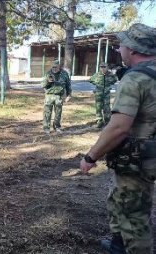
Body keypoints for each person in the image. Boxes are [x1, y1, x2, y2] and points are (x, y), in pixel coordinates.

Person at [80, 23, 156, 254]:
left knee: (134, 216)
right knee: (120, 201)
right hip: (149, 156)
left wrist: (91, 156)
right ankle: (118, 245)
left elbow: (118, 128)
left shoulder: (135, 79)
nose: (118, 48)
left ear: (132, 49)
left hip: (137, 161)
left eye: (121, 44)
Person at [42, 60, 72, 134]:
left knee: (58, 113)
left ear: (59, 66)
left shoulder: (64, 74)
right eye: (53, 67)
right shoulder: (48, 73)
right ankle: (46, 128)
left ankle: (57, 127)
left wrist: (69, 95)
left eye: (55, 67)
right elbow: (42, 85)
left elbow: (68, 85)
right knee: (47, 113)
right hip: (49, 96)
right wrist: (48, 81)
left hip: (59, 96)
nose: (54, 68)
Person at [89, 62, 118, 128]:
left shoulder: (110, 74)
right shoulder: (97, 74)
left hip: (106, 94)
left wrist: (109, 84)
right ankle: (99, 121)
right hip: (98, 94)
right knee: (98, 108)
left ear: (107, 67)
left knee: (106, 108)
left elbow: (115, 80)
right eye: (101, 67)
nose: (103, 68)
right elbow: (90, 80)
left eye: (104, 67)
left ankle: (108, 122)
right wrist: (96, 83)